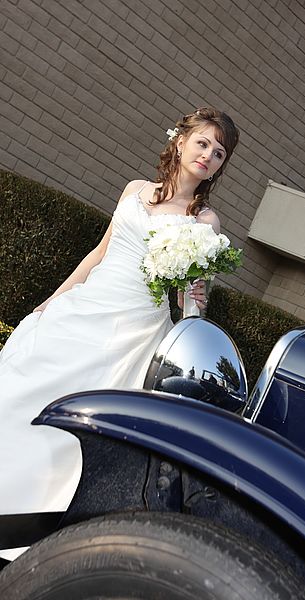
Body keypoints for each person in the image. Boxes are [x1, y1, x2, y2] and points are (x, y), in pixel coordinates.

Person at [0, 106, 240, 561]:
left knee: (82, 416)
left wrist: (195, 298)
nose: (208, 155)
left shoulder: (205, 223)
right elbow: (100, 251)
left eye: (219, 151)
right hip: (86, 309)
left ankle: (29, 516)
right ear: (181, 141)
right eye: (203, 142)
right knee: (22, 387)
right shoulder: (135, 191)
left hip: (137, 328)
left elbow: (192, 305)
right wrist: (53, 299)